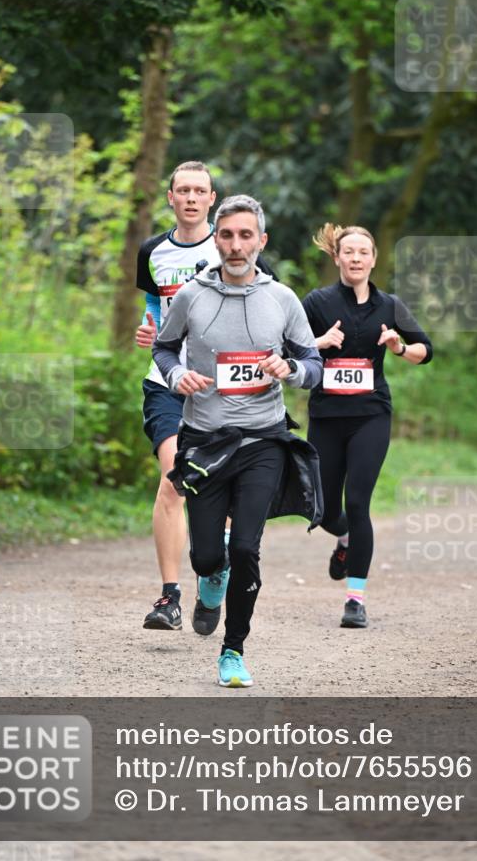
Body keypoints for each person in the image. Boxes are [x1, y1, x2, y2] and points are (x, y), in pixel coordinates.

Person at [152, 195, 323, 687]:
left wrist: (290, 367)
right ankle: (211, 576)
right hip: (205, 443)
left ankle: (234, 649)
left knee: (247, 546)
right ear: (217, 239)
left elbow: (314, 365)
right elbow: (164, 348)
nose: (235, 244)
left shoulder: (282, 299)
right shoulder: (191, 295)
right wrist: (178, 373)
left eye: (246, 235)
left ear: (261, 241)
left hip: (263, 440)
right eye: (226, 235)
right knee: (208, 555)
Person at [135, 162, 276, 634]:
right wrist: (149, 328)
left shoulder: (235, 247)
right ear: (170, 197)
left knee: (226, 497)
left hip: (230, 395)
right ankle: (170, 597)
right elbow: (156, 306)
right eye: (183, 190)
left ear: (212, 199)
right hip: (169, 382)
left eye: (200, 190)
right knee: (174, 480)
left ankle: (214, 570)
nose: (191, 197)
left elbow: (268, 309)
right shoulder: (151, 251)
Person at [302, 224, 433, 629]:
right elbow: (288, 346)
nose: (356, 258)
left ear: (373, 259)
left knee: (358, 503)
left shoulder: (389, 305)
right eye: (349, 252)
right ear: (337, 258)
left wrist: (399, 347)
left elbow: (425, 351)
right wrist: (318, 343)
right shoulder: (317, 302)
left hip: (371, 415)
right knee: (322, 510)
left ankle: (355, 599)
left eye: (364, 252)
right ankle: (342, 538)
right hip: (326, 417)